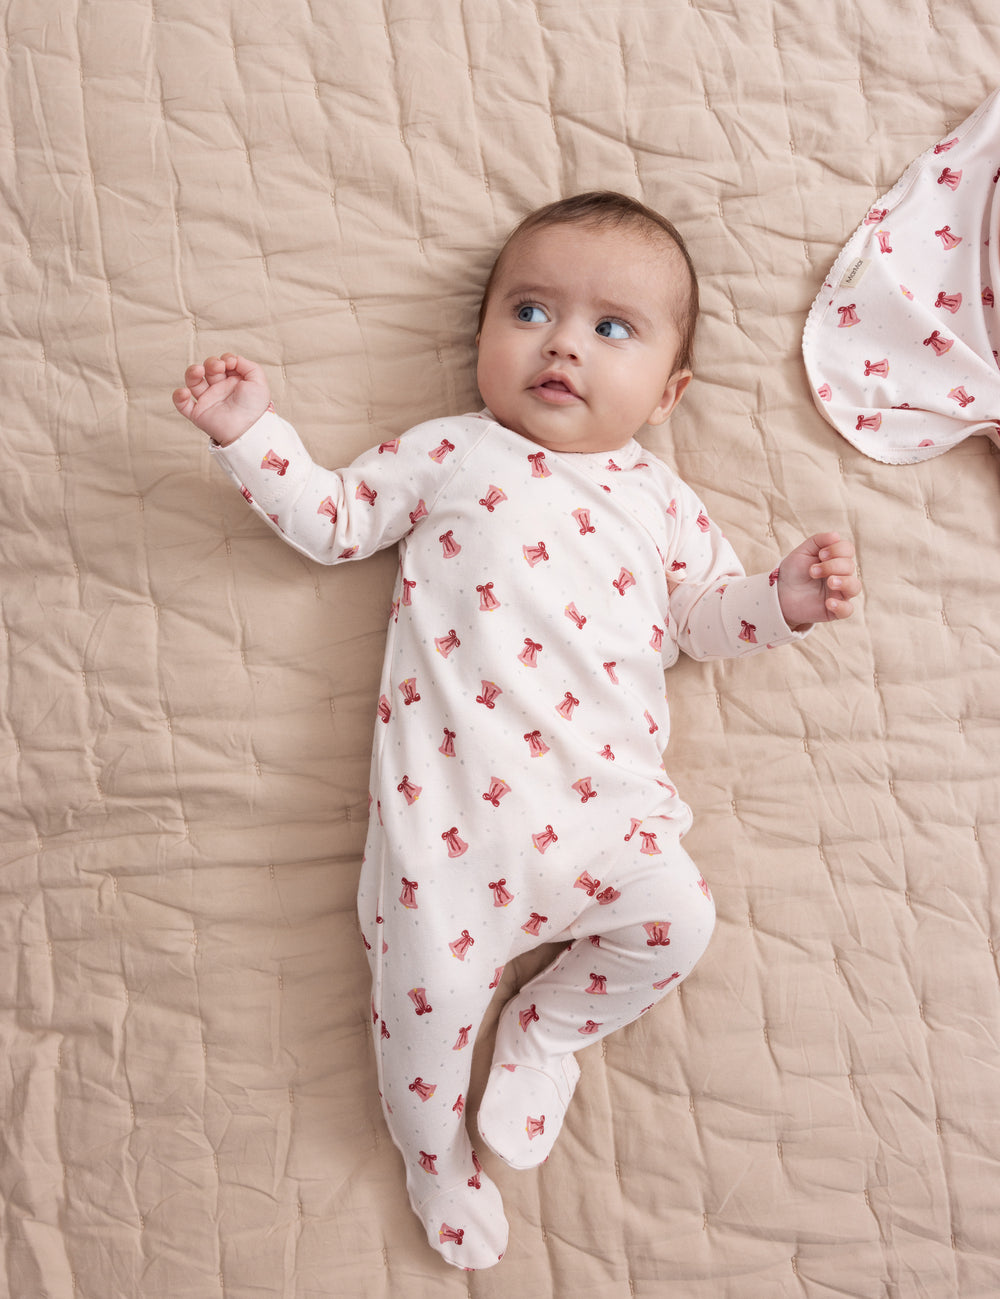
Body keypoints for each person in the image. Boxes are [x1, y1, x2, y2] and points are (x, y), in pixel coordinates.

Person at [173, 192, 860, 1270]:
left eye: (612, 329)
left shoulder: (662, 503)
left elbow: (697, 622)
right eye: (529, 311)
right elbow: (337, 520)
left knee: (678, 922)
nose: (563, 345)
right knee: (422, 1016)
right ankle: (432, 1156)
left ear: (669, 392)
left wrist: (781, 601)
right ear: (483, 338)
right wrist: (253, 435)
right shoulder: (451, 454)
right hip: (445, 842)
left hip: (607, 822)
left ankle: (549, 1028)